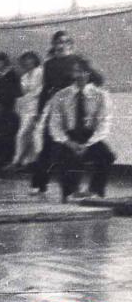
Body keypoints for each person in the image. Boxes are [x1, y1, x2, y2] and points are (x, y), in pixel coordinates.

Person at [49, 57, 115, 203]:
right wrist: (68, 142)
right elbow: (55, 125)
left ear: (89, 73)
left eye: (83, 71)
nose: (79, 75)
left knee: (107, 156)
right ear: (71, 74)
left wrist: (88, 144)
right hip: (69, 136)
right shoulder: (61, 95)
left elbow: (104, 125)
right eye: (76, 71)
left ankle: (95, 191)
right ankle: (69, 192)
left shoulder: (101, 95)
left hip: (90, 136)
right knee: (63, 156)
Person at [31, 31, 78, 195]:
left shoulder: (77, 61)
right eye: (58, 42)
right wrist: (39, 111)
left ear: (70, 44)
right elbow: (45, 89)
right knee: (47, 146)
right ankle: (39, 184)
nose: (61, 45)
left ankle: (70, 188)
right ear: (54, 44)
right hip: (53, 109)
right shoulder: (49, 64)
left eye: (65, 42)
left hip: (71, 109)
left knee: (69, 148)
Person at [11, 51, 43, 168]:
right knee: (23, 134)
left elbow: (41, 90)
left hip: (38, 106)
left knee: (34, 134)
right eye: (25, 60)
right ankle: (22, 161)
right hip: (26, 108)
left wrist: (28, 98)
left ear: (34, 60)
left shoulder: (40, 72)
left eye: (30, 59)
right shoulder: (24, 77)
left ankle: (31, 161)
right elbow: (24, 92)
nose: (27, 62)